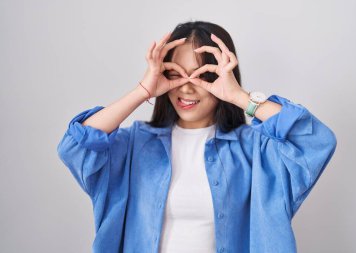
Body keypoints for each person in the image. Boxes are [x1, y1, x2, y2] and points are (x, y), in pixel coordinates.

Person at [57, 20, 337, 253]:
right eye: (175, 74)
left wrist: (240, 97)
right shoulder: (135, 146)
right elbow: (75, 145)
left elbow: (315, 142)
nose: (187, 88)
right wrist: (143, 89)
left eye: (203, 75)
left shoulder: (254, 150)